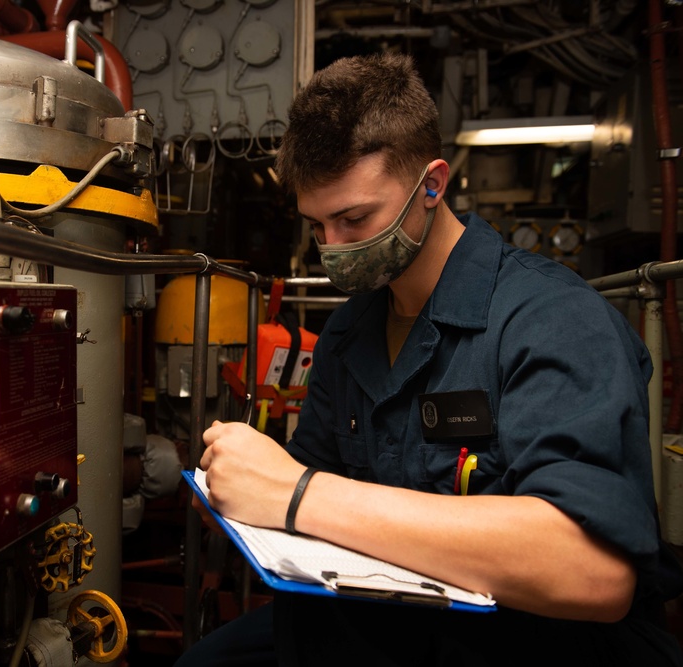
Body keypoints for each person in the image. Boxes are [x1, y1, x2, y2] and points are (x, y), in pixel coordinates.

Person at [176, 52, 683, 666]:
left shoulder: (552, 320)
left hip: (534, 641)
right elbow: (303, 501)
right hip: (391, 619)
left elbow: (592, 572)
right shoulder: (348, 333)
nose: (331, 251)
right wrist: (240, 499)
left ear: (433, 185)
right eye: (317, 226)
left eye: (354, 218)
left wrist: (297, 494)